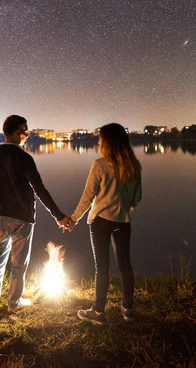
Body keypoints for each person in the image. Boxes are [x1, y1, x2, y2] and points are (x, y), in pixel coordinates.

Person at [0, 115, 73, 312]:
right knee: (19, 263)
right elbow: (39, 189)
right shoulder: (24, 158)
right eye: (25, 131)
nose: (27, 135)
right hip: (23, 217)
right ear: (16, 132)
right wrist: (59, 216)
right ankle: (13, 303)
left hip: (0, 216)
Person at [67, 123, 142, 325]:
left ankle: (98, 312)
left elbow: (88, 196)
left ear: (107, 141)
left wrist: (74, 218)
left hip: (101, 221)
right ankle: (128, 309)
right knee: (125, 266)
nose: (99, 141)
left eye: (101, 138)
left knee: (102, 267)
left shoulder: (100, 164)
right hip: (123, 221)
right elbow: (137, 198)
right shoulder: (134, 165)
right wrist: (123, 208)